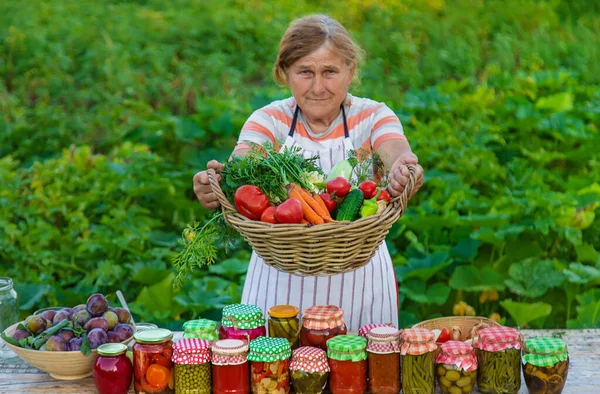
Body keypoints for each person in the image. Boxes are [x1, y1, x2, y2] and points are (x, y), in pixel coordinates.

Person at [193, 14, 424, 330]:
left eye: (330, 71)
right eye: (305, 72)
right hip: (279, 284)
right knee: (273, 371)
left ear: (350, 71)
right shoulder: (269, 120)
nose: (318, 87)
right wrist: (217, 183)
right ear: (284, 73)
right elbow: (241, 163)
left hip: (360, 281)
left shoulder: (373, 116)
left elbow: (396, 149)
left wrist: (404, 168)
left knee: (365, 373)